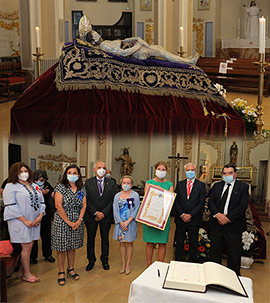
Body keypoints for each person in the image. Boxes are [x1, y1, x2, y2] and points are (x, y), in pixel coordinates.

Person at [3, 162, 45, 283]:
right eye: (20, 171)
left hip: (35, 221)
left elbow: (42, 202)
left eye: (25, 171)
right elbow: (10, 206)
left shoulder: (34, 185)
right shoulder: (10, 186)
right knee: (26, 246)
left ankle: (21, 272)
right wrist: (25, 220)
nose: (24, 174)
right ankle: (27, 274)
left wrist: (40, 216)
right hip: (19, 221)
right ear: (15, 173)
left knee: (29, 245)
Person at [208, 164, 249, 276]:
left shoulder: (243, 187)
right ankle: (214, 276)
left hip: (234, 225)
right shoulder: (216, 186)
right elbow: (211, 202)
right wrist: (218, 215)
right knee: (215, 252)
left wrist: (228, 218)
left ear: (235, 174)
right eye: (225, 173)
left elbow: (242, 206)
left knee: (234, 254)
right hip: (217, 224)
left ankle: (233, 278)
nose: (227, 175)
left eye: (230, 173)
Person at [51, 165, 87, 286]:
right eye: (70, 172)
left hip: (77, 221)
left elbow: (84, 205)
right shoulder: (60, 187)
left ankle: (71, 268)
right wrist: (69, 222)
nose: (72, 175)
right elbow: (58, 206)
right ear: (66, 174)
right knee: (61, 247)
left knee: (72, 246)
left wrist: (79, 220)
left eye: (75, 172)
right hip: (62, 221)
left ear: (78, 175)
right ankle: (61, 271)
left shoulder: (81, 188)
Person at [85, 30, 199, 65]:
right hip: (136, 52)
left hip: (136, 47)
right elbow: (124, 53)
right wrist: (139, 44)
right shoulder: (104, 45)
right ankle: (188, 62)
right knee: (161, 52)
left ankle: (186, 60)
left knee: (160, 48)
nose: (99, 35)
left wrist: (137, 38)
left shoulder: (106, 42)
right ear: (93, 40)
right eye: (96, 35)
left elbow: (123, 41)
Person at [84, 161, 116, 271]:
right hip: (90, 216)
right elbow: (86, 199)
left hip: (106, 216)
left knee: (105, 238)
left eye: (104, 168)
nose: (102, 169)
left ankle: (105, 260)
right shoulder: (88, 182)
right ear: (94, 169)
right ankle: (91, 260)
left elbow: (113, 199)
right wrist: (95, 212)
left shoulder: (111, 183)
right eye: (99, 167)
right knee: (90, 239)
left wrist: (103, 213)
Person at [143, 161, 173, 267]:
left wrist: (161, 191)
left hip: (163, 217)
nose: (161, 171)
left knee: (162, 243)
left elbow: (170, 200)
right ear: (155, 170)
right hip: (150, 216)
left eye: (163, 169)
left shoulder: (169, 184)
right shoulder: (149, 183)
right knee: (149, 242)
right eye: (159, 169)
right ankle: (149, 265)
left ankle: (160, 265)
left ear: (166, 171)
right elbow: (147, 199)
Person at [174, 163, 206, 262]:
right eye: (188, 170)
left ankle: (192, 263)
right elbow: (176, 200)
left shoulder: (201, 185)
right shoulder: (180, 184)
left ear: (195, 172)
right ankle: (178, 262)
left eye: (192, 170)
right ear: (185, 172)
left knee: (193, 243)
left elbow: (201, 203)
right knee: (179, 243)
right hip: (181, 219)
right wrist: (182, 214)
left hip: (194, 219)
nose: (190, 172)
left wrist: (190, 214)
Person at [113, 175, 140, 275]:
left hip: (130, 223)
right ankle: (123, 264)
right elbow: (115, 210)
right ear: (121, 184)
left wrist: (128, 221)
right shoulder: (117, 196)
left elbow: (137, 209)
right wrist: (120, 222)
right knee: (122, 243)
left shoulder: (135, 195)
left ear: (132, 185)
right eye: (124, 183)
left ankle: (128, 264)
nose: (126, 185)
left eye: (128, 183)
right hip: (120, 224)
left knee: (129, 243)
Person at [30, 170, 55, 264]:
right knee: (34, 236)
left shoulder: (47, 185)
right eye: (40, 179)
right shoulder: (31, 185)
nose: (42, 182)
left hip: (46, 213)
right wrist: (40, 193)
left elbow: (53, 194)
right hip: (34, 214)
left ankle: (48, 254)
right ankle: (33, 257)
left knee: (46, 235)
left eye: (43, 180)